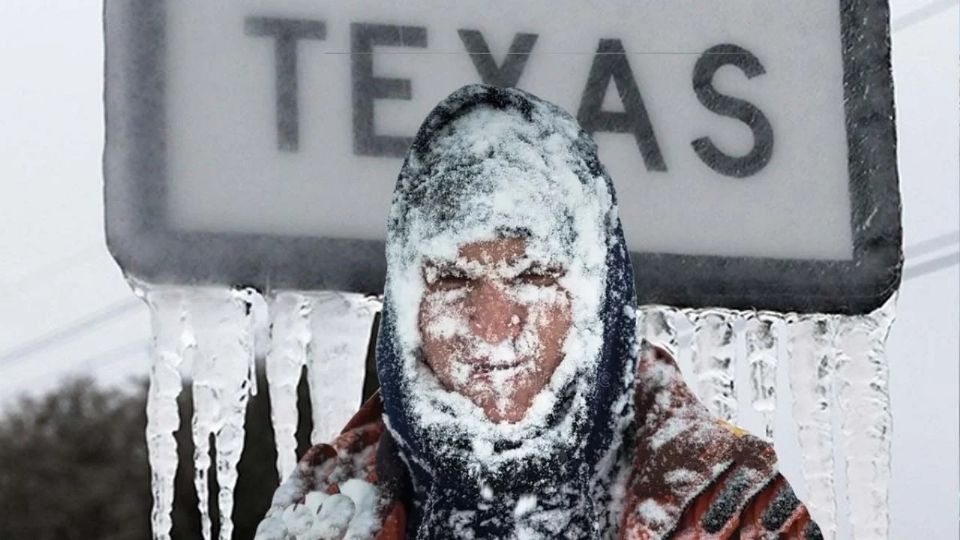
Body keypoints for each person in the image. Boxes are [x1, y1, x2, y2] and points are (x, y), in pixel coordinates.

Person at [256, 85, 821, 539]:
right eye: (453, 278)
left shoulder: (729, 514)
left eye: (532, 276)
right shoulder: (319, 514)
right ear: (407, 303)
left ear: (595, 296)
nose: (493, 324)